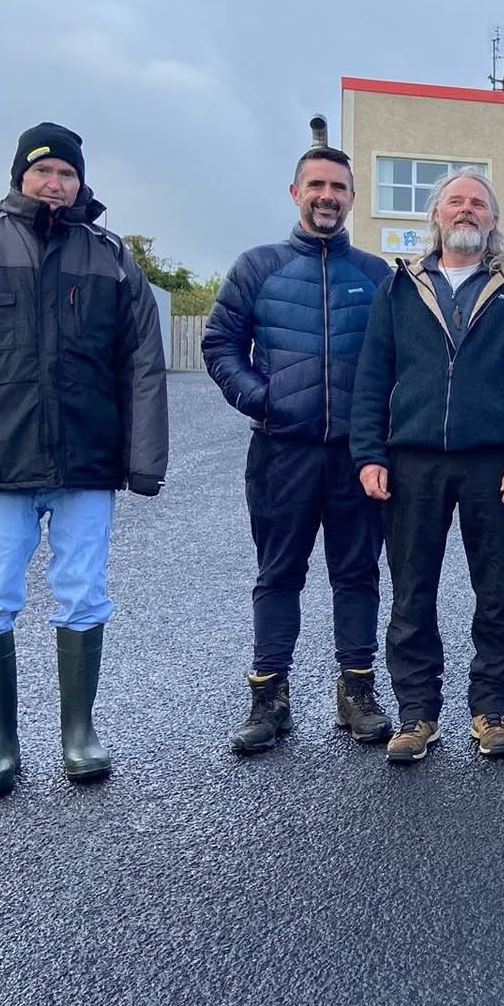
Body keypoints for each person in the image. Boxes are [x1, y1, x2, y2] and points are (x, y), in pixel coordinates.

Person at [0, 122, 168, 798]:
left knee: (83, 593)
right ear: (20, 174)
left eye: (67, 174)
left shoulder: (109, 256)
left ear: (80, 182)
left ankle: (79, 734)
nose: (55, 184)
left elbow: (141, 365)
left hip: (85, 464)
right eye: (44, 172)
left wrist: (145, 459)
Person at [351, 171, 504, 765]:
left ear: (493, 220)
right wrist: (368, 454)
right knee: (412, 590)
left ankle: (490, 708)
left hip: (494, 465)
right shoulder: (401, 288)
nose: (466, 211)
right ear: (436, 216)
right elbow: (372, 377)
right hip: (412, 462)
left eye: (478, 203)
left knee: (496, 590)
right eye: (455, 202)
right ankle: (417, 712)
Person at [202, 142, 394, 755]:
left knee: (358, 573)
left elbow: (397, 362)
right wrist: (263, 398)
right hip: (281, 452)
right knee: (278, 574)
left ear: (352, 199)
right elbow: (220, 345)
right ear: (295, 193)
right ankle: (268, 698)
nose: (327, 197)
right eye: (316, 186)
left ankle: (356, 692)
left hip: (356, 455)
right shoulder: (257, 267)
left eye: (338, 188)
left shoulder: (376, 275)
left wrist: (378, 432)